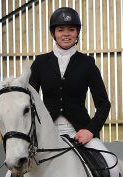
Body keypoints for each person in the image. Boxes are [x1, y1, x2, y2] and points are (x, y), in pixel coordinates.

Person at [29, 7, 121, 177]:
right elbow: (28, 100)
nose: (66, 34)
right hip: (45, 133)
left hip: (80, 132)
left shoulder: (87, 63)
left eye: (71, 29)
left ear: (77, 33)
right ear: (53, 33)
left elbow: (103, 104)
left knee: (113, 168)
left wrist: (90, 131)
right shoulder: (40, 63)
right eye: (60, 29)